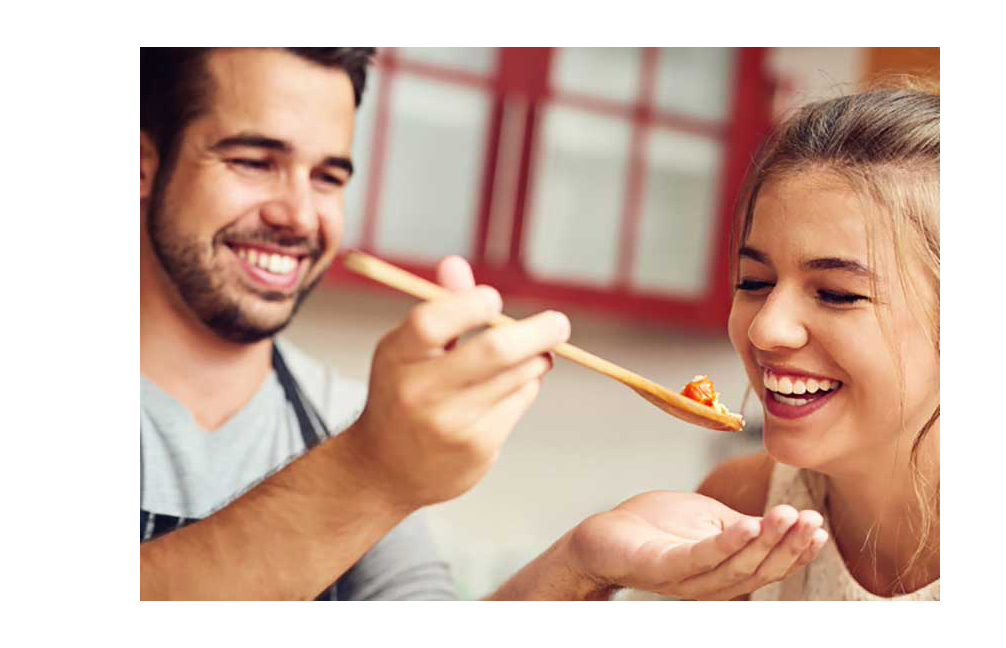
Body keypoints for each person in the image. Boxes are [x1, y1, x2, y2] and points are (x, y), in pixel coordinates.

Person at [139, 47, 829, 600]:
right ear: (142, 162)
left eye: (328, 177)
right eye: (253, 162)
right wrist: (372, 471)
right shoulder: (368, 440)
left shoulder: (344, 415)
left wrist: (583, 562)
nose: (298, 214)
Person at [623, 84, 939, 600]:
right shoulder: (740, 503)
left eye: (837, 293)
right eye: (753, 282)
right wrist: (584, 568)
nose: (765, 329)